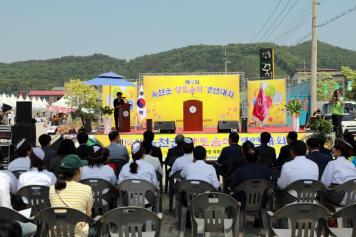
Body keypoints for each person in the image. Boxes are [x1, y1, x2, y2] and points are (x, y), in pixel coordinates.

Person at [49, 154, 92, 236]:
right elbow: (88, 216)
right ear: (77, 171)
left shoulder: (52, 189)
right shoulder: (86, 189)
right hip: (78, 234)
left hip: (56, 233)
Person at [276, 140, 319, 205]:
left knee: (278, 191)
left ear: (292, 151)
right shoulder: (314, 165)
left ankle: (279, 214)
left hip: (292, 200)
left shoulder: (287, 165)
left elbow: (281, 185)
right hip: (312, 199)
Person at [321, 138, 356, 206]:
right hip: (353, 197)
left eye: (334, 147)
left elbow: (325, 183)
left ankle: (329, 214)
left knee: (323, 191)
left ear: (339, 151)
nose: (332, 149)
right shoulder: (351, 164)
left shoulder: (332, 163)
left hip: (339, 198)